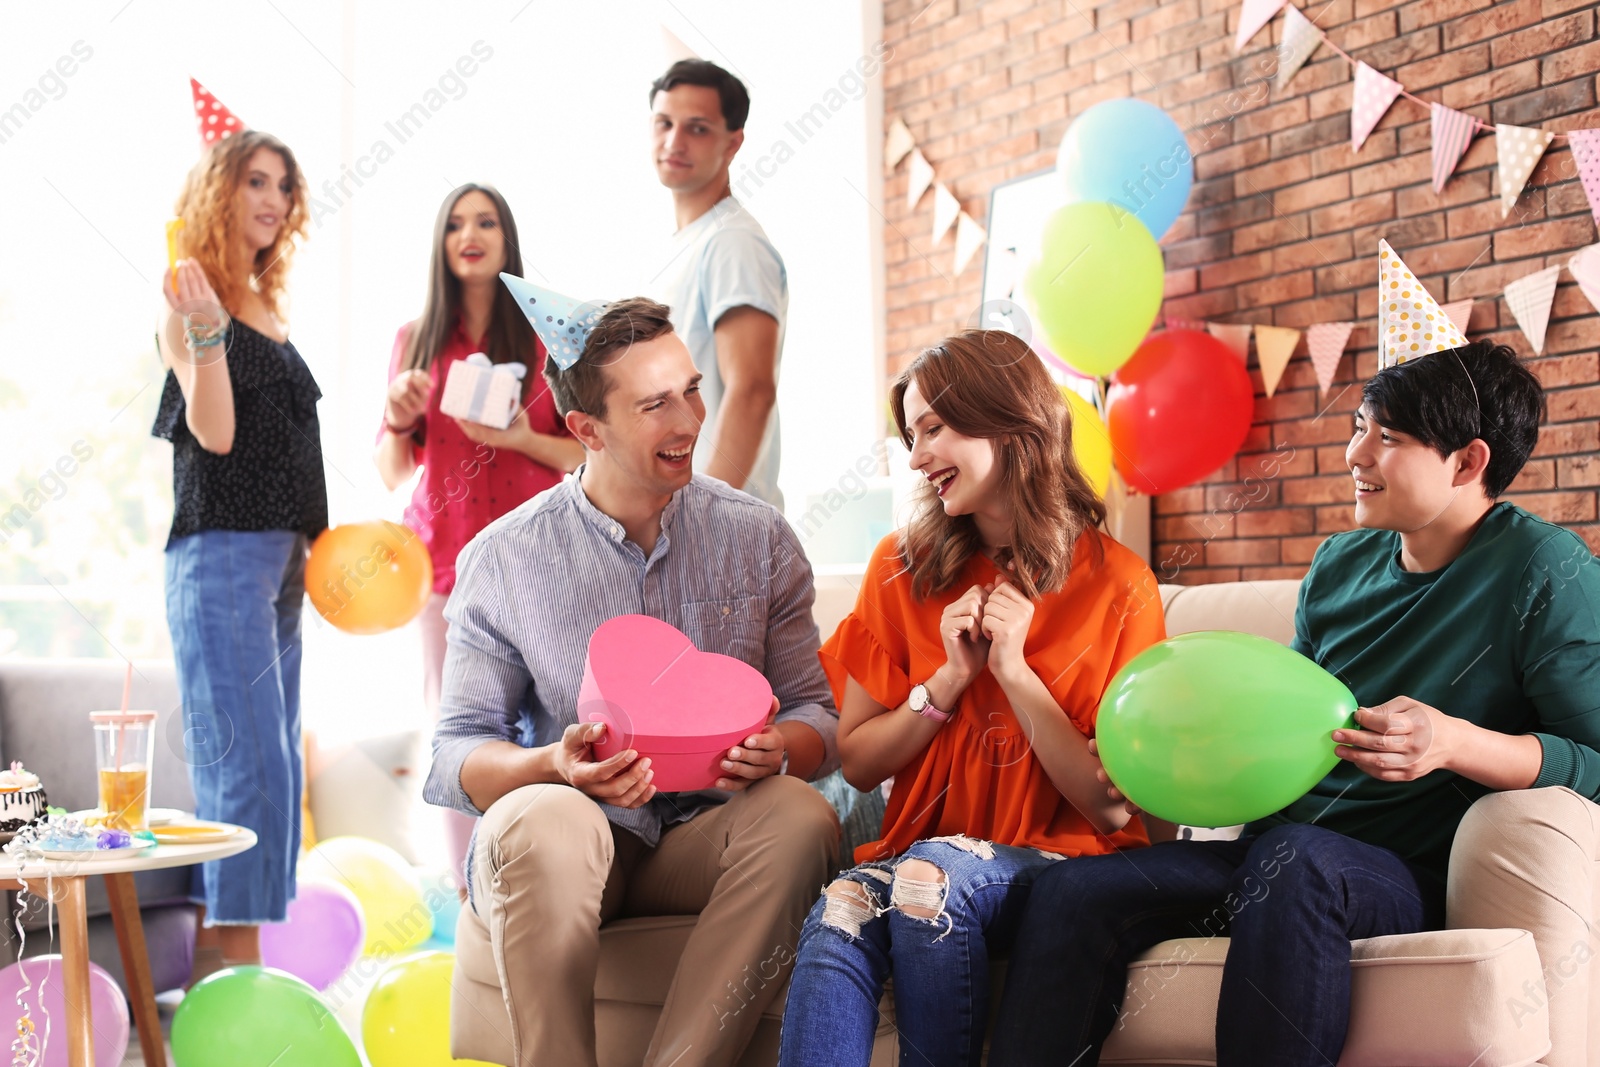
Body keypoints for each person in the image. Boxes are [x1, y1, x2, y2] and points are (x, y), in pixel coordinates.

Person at [989, 340, 1600, 1066]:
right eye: (1359, 427)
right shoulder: (1339, 564)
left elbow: (1592, 759)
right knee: (1070, 890)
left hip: (1396, 872)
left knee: (1298, 855)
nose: (1356, 453)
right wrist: (1167, 760)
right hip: (1268, 854)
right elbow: (1275, 726)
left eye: (1388, 437)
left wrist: (1454, 741)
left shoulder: (1545, 570)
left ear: (1468, 462)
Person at [424, 284, 840, 1067]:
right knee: (544, 817)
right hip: (573, 841)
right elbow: (454, 754)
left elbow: (820, 715)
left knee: (798, 815)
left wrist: (779, 747)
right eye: (655, 406)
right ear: (587, 429)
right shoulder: (504, 558)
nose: (688, 421)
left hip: (703, 838)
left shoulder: (759, 539)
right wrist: (555, 766)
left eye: (691, 390)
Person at [777, 330, 1166, 1067]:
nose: (917, 457)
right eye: (911, 434)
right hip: (925, 853)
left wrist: (1016, 673)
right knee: (843, 905)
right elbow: (857, 763)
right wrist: (946, 684)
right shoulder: (899, 568)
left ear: (1007, 421)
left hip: (1066, 863)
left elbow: (1113, 807)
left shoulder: (1121, 585)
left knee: (926, 881)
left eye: (933, 429)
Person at [153, 129, 326, 980]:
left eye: (284, 185)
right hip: (221, 558)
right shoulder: (193, 306)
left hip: (282, 568)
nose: (273, 198)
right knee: (247, 772)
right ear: (220, 193)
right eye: (255, 181)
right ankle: (233, 996)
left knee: (275, 763)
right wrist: (208, 335)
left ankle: (223, 987)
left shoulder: (266, 304)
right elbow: (214, 433)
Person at [374, 182, 581, 888]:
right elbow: (390, 468)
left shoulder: (545, 338)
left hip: (537, 562)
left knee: (551, 718)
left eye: (486, 221)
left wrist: (522, 436)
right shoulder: (415, 339)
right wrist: (400, 416)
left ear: (506, 238)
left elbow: (591, 455)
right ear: (441, 242)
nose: (471, 233)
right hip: (444, 566)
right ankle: (470, 887)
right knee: (458, 730)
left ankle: (542, 871)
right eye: (456, 223)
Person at [648, 59, 787, 507]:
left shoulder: (732, 242)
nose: (674, 142)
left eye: (698, 128)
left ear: (733, 143)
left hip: (721, 533)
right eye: (664, 123)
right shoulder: (688, 244)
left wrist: (701, 517)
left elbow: (751, 389)